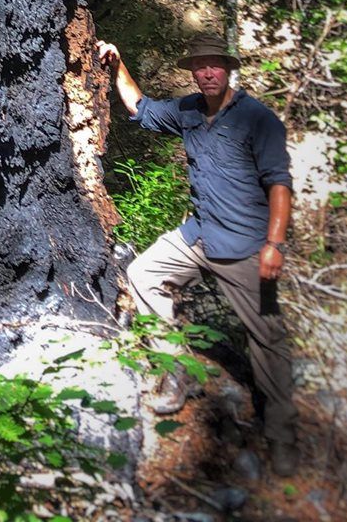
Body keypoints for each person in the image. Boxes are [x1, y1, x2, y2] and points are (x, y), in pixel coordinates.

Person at [96, 32, 299, 477]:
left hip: (247, 248)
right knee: (143, 273)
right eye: (200, 66)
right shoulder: (188, 111)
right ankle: (178, 367)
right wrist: (117, 63)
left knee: (268, 338)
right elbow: (139, 106)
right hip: (199, 235)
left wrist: (274, 245)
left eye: (215, 65)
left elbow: (280, 184)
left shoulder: (257, 119)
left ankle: (283, 436)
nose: (207, 73)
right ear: (192, 71)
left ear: (228, 70)